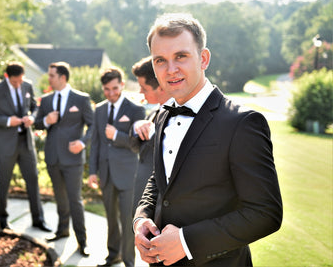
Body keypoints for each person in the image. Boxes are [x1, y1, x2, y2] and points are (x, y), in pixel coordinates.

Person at [133, 13, 283, 266]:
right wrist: (141, 217)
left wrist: (186, 242)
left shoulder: (243, 123)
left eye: (181, 56)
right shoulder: (162, 115)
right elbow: (160, 180)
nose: (171, 69)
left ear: (203, 59)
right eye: (160, 60)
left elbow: (265, 213)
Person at [0, 61, 51, 232]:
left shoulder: (27, 86)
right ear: (7, 77)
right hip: (6, 143)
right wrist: (6, 121)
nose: (18, 84)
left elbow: (34, 107)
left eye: (20, 80)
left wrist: (32, 118)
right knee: (4, 182)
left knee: (33, 180)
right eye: (14, 81)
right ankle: (1, 220)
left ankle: (38, 219)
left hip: (26, 142)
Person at [34, 62, 94, 257]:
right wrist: (45, 121)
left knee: (75, 200)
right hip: (53, 157)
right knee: (60, 197)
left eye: (52, 75)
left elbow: (93, 126)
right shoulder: (46, 100)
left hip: (73, 158)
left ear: (62, 77)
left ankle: (82, 241)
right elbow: (36, 124)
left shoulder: (81, 99)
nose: (49, 78)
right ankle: (62, 230)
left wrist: (83, 142)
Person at [88, 66, 145, 267]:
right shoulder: (100, 109)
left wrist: (117, 136)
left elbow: (139, 144)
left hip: (128, 174)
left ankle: (129, 261)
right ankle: (113, 255)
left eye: (114, 88)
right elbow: (95, 142)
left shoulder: (135, 109)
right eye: (106, 89)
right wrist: (92, 172)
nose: (111, 93)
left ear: (121, 84)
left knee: (129, 220)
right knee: (111, 218)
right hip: (106, 173)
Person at [130, 56, 170, 209]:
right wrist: (136, 128)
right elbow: (136, 148)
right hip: (142, 199)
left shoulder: (180, 116)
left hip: (159, 205)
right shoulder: (152, 112)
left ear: (161, 86)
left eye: (144, 88)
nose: (140, 92)